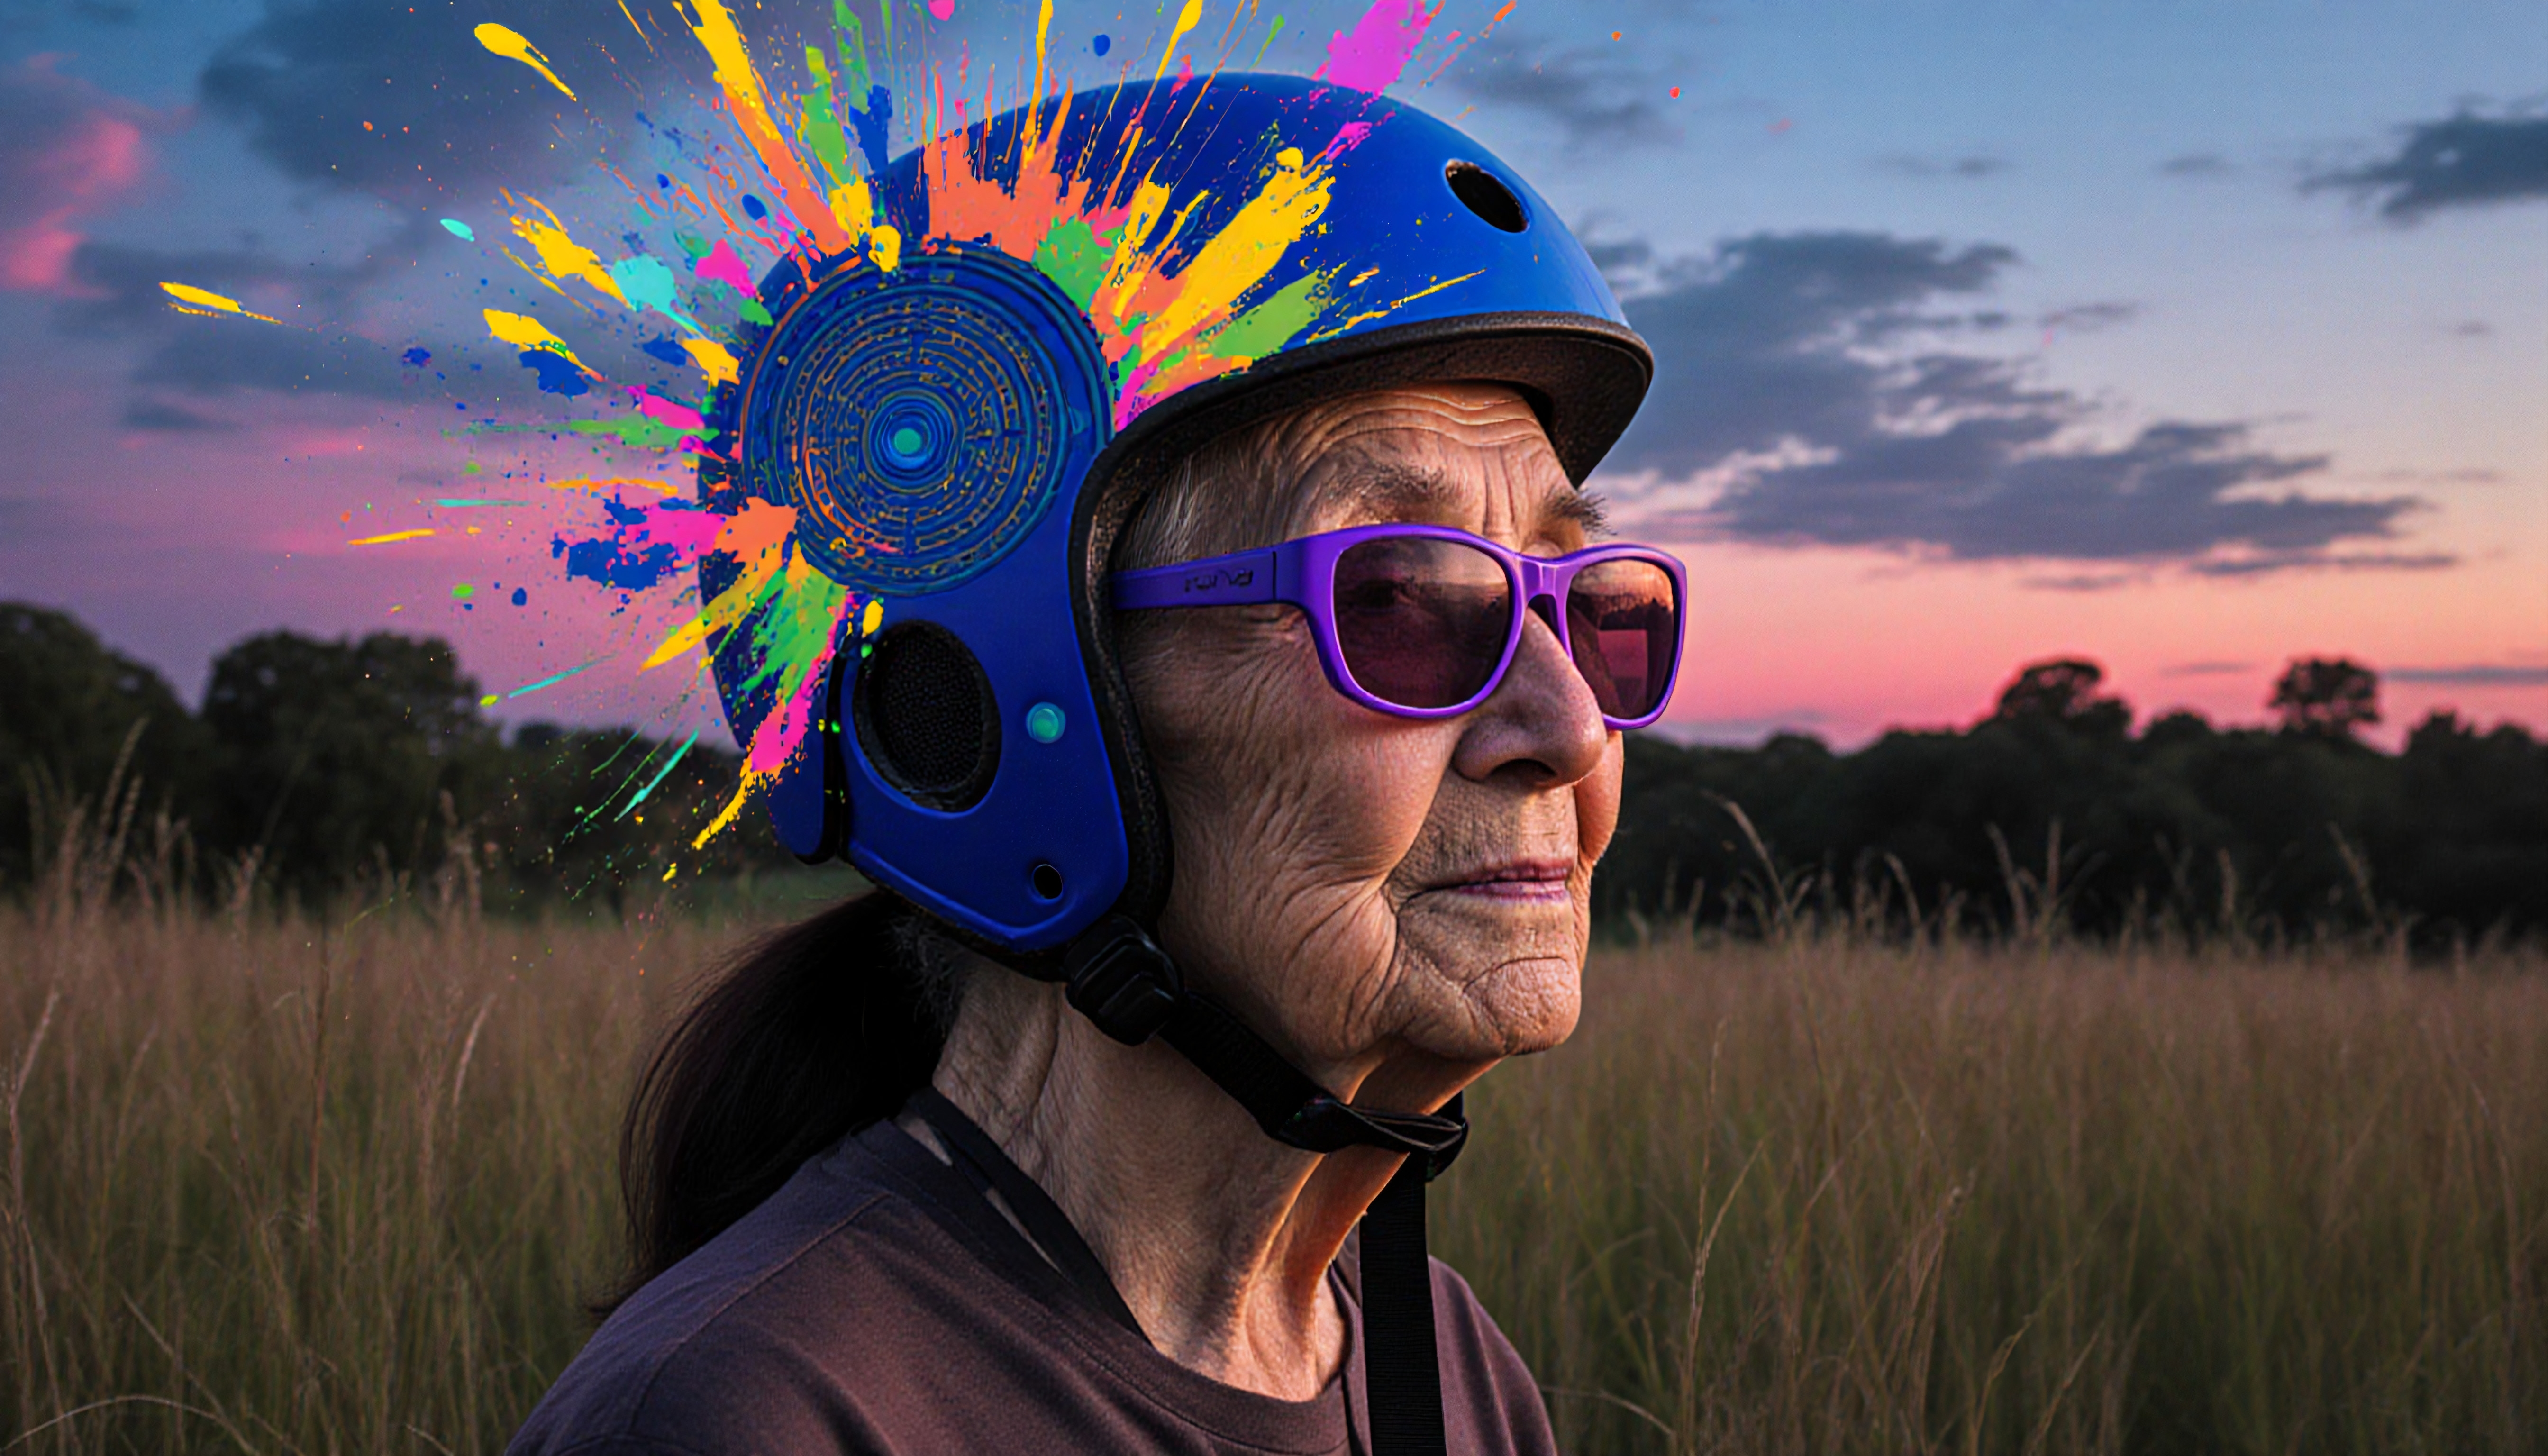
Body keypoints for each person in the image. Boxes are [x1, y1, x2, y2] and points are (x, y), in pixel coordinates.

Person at [510, 67, 1682, 1456]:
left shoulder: (1444, 1363)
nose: (1568, 729)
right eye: (1405, 602)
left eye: (1587, 603)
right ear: (987, 705)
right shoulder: (755, 1418)